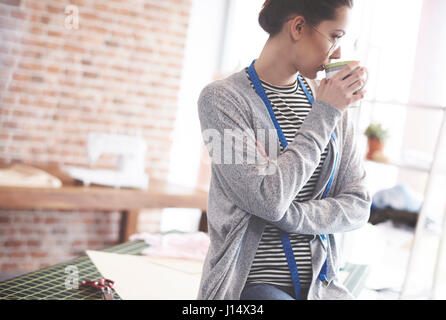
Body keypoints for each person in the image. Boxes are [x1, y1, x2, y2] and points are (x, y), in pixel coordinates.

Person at [196, 0, 371, 300]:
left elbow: (358, 205)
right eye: (336, 36)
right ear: (299, 27)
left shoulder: (330, 102)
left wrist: (293, 217)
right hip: (251, 288)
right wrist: (324, 114)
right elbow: (268, 198)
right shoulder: (221, 101)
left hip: (322, 285)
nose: (339, 53)